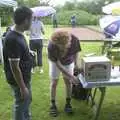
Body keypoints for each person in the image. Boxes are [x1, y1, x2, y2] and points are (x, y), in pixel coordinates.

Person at [3, 6, 33, 120]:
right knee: (21, 104)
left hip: (24, 79)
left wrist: (28, 53)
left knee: (26, 102)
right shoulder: (13, 39)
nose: (32, 22)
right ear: (25, 20)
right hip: (19, 81)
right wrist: (22, 87)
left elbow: (17, 54)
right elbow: (14, 67)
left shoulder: (18, 33)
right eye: (31, 19)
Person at [48, 30, 81, 116]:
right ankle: (53, 104)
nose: (62, 49)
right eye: (59, 47)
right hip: (55, 62)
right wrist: (71, 76)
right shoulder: (52, 45)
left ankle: (68, 103)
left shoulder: (74, 40)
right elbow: (58, 64)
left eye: (64, 46)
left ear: (68, 42)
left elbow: (76, 51)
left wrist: (76, 64)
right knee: (54, 83)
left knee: (68, 82)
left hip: (69, 61)